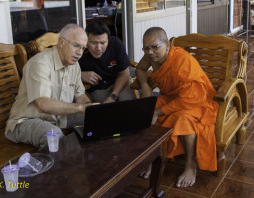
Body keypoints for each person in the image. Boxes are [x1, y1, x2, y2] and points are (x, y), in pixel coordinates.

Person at [136, 27, 219, 188]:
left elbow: (188, 100)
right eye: (146, 48)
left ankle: (190, 165)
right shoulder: (150, 57)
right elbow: (140, 69)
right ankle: (152, 158)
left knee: (183, 119)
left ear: (167, 45)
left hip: (196, 101)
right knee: (144, 111)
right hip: (173, 98)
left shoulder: (182, 61)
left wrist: (158, 112)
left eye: (155, 47)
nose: (150, 52)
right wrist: (145, 86)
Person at [5, 24, 97, 148]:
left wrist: (89, 107)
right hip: (25, 121)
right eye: (76, 46)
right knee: (55, 137)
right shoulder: (39, 64)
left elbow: (79, 94)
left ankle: (93, 159)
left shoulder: (74, 65)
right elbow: (43, 104)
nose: (79, 53)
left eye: (83, 48)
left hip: (57, 118)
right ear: (61, 42)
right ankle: (64, 166)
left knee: (97, 120)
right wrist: (80, 108)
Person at [79, 21, 135, 103]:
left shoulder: (115, 43)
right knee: (106, 110)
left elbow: (124, 74)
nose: (98, 48)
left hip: (119, 79)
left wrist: (112, 97)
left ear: (108, 40)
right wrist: (80, 75)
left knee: (129, 104)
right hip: (97, 87)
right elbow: (65, 73)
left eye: (103, 43)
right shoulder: (79, 50)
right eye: (93, 43)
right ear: (86, 40)